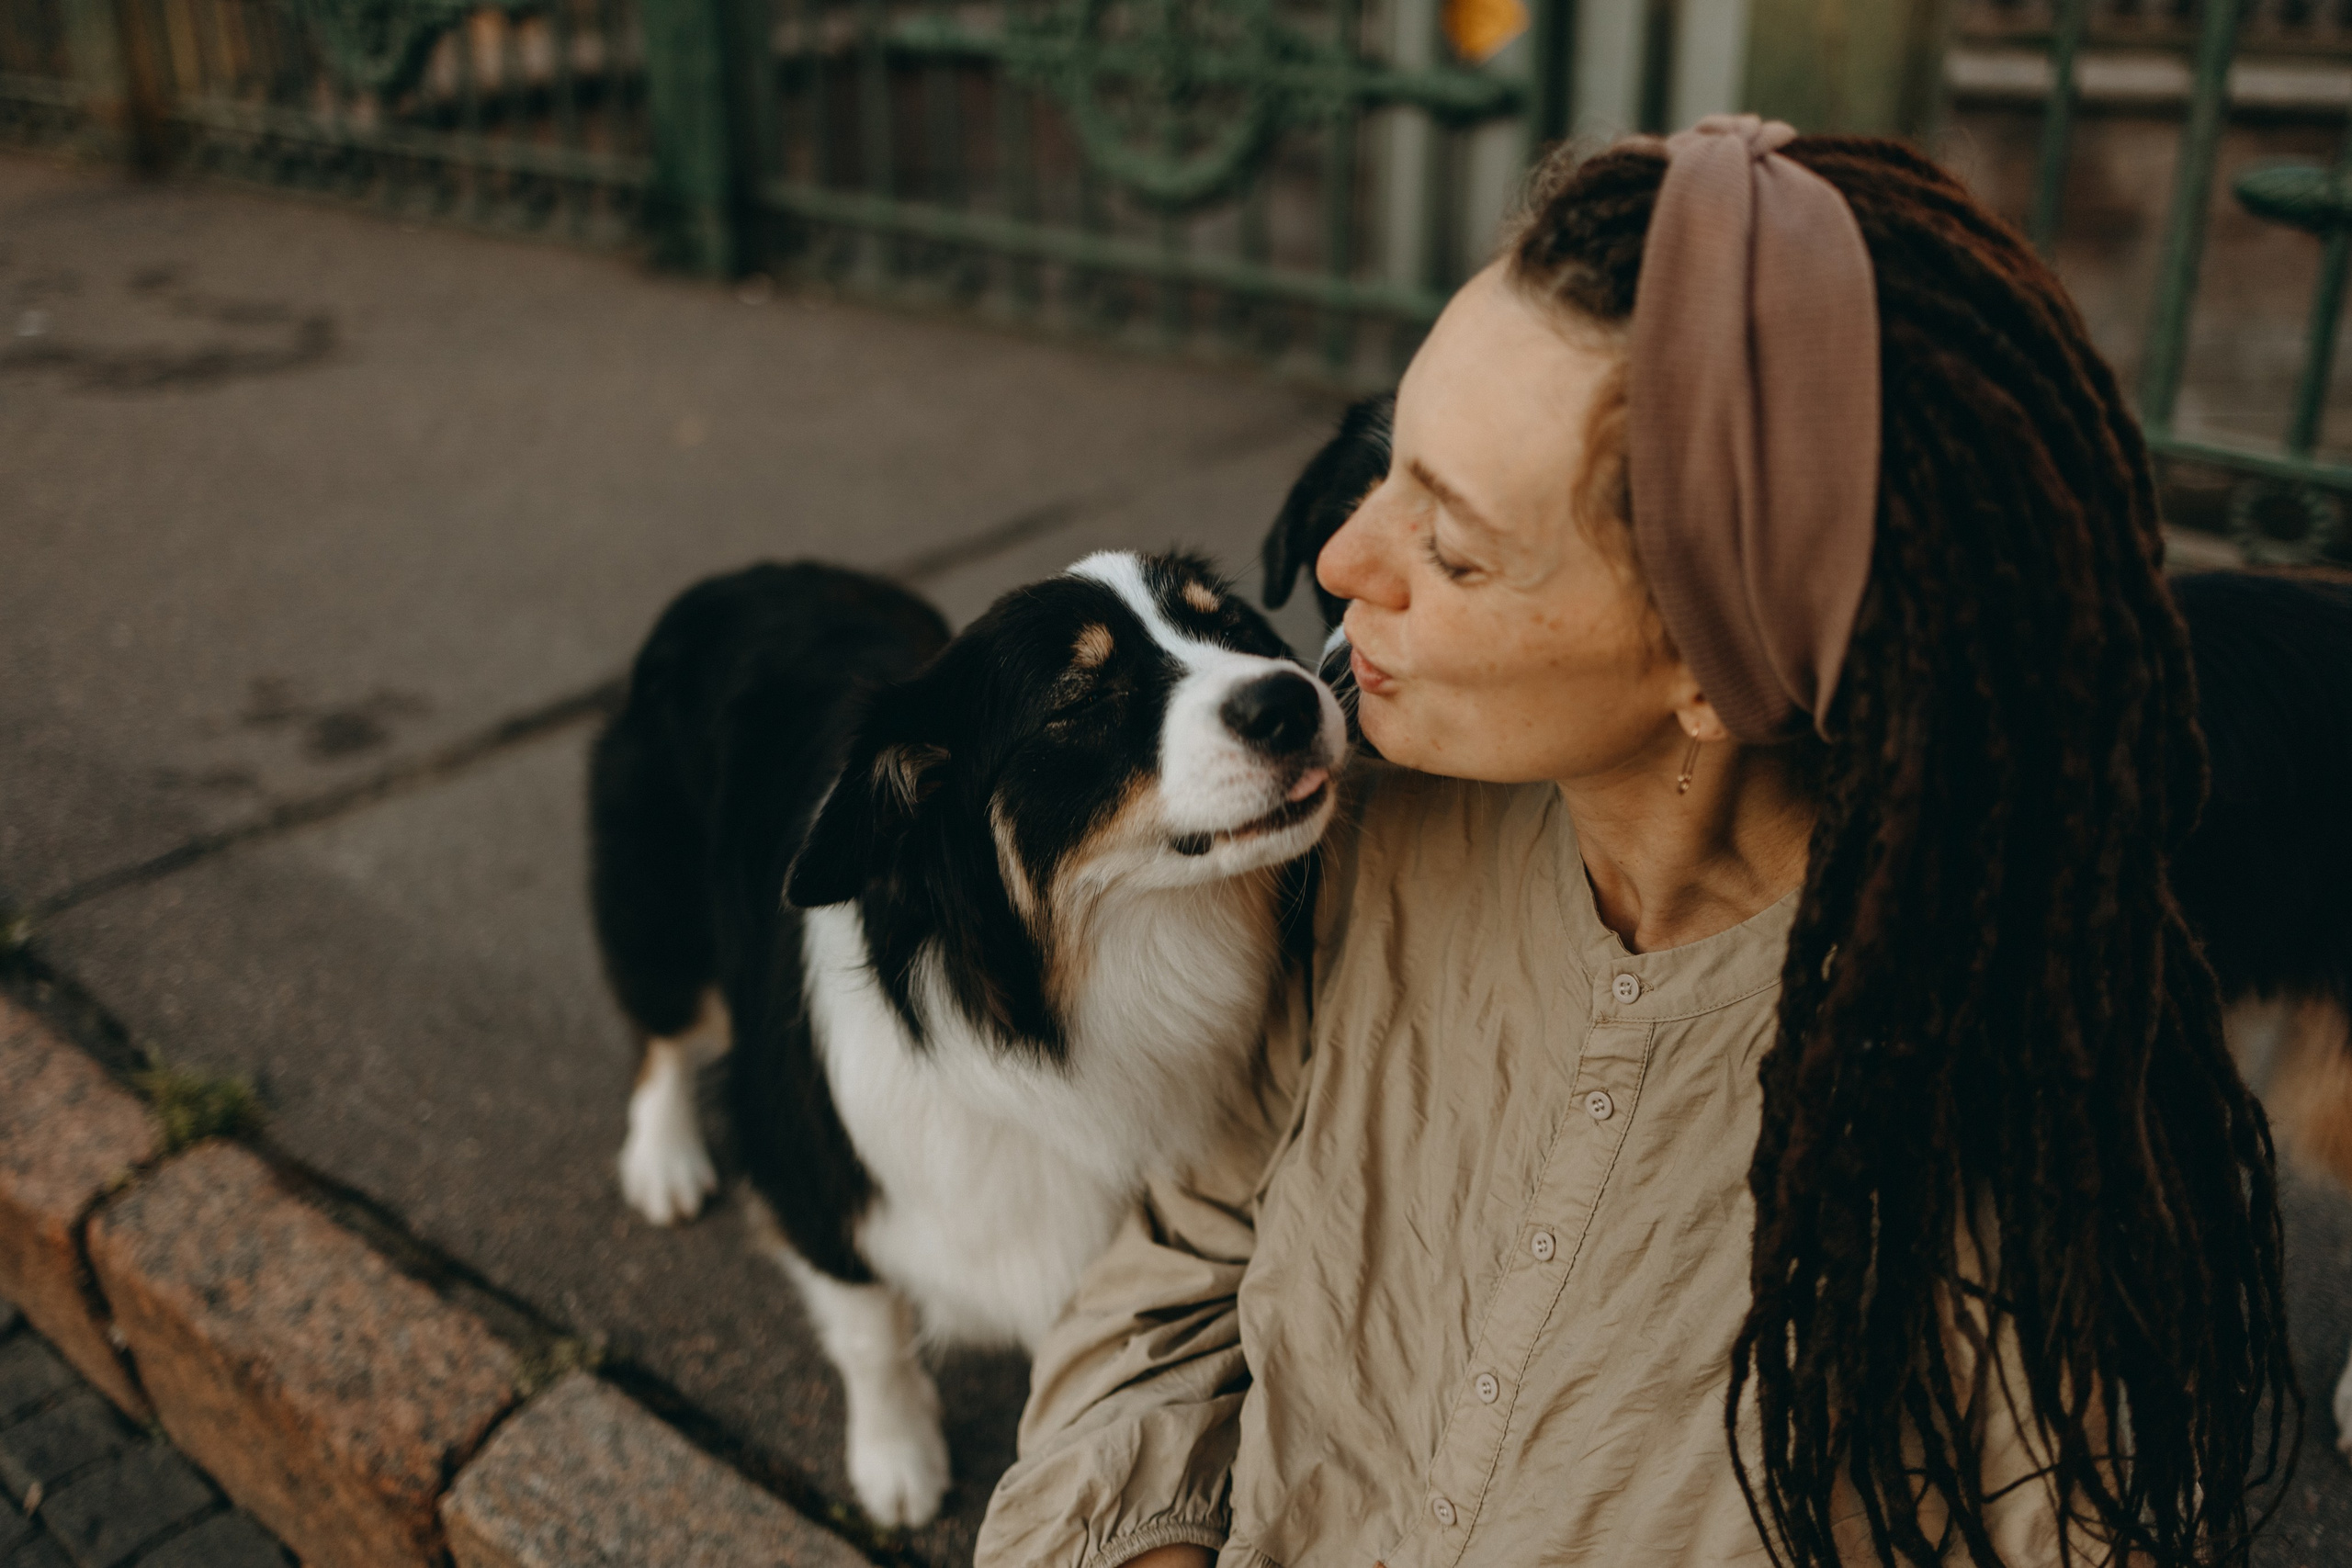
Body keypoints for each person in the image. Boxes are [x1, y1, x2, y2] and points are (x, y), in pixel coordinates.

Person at [973, 121, 2295, 1567]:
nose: (1345, 567)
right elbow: (1167, 1284)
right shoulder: (1355, 850)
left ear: (1712, 673)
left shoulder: (2006, 1089)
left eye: (1456, 551)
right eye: (1388, 470)